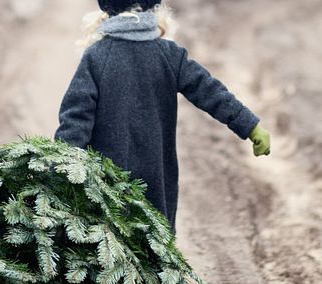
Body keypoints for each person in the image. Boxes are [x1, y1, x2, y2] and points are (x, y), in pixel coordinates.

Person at [54, 0, 271, 235]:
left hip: (105, 181)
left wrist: (63, 165)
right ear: (154, 7)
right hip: (157, 180)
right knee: (156, 247)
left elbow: (76, 117)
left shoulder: (96, 57)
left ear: (107, 9)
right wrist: (250, 125)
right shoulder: (169, 55)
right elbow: (210, 91)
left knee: (107, 245)